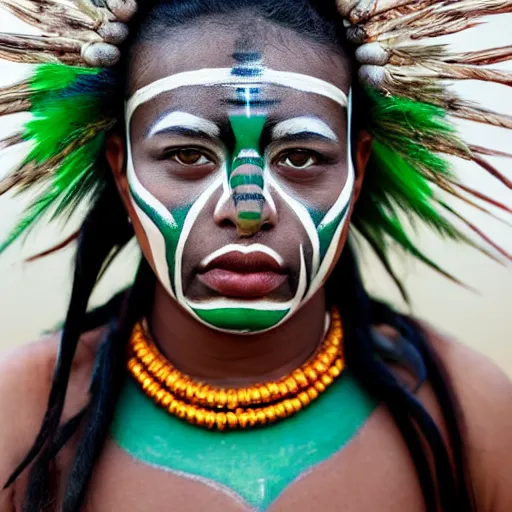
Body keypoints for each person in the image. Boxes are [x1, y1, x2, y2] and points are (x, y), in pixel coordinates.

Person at [0, 0, 510, 510]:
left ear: (357, 169)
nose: (247, 212)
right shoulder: (17, 414)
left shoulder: (470, 410)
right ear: (121, 168)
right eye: (188, 155)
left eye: (300, 157)